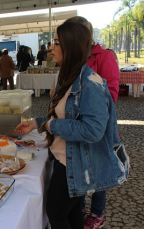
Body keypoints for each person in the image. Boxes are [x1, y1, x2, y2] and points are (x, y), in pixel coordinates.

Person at [15, 22, 128, 229]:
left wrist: (51, 126)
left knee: (56, 213)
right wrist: (36, 123)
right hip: (65, 157)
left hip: (75, 162)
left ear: (71, 46)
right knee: (73, 211)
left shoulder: (90, 83)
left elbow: (93, 130)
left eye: (56, 43)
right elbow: (67, 115)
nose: (50, 47)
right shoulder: (67, 77)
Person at [65, 16, 120, 229]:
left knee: (99, 169)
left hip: (98, 126)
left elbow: (111, 93)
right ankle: (79, 209)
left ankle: (97, 213)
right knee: (78, 164)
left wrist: (84, 102)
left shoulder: (104, 57)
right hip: (77, 126)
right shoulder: (74, 59)